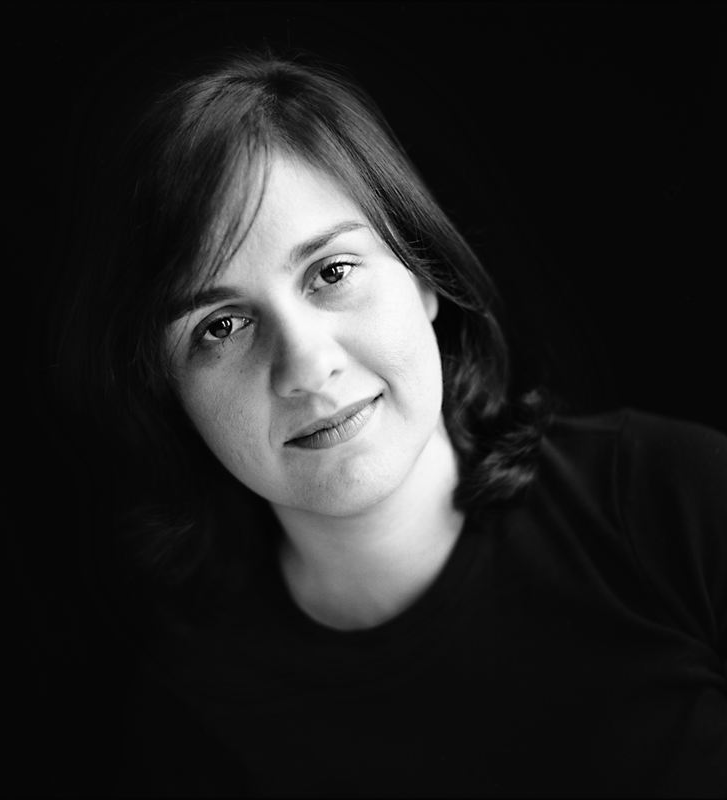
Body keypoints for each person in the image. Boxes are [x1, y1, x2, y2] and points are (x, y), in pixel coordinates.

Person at [53, 46, 727, 797]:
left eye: (332, 272)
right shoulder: (195, 725)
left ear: (424, 275)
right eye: (221, 326)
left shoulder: (675, 498)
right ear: (171, 395)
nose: (307, 367)